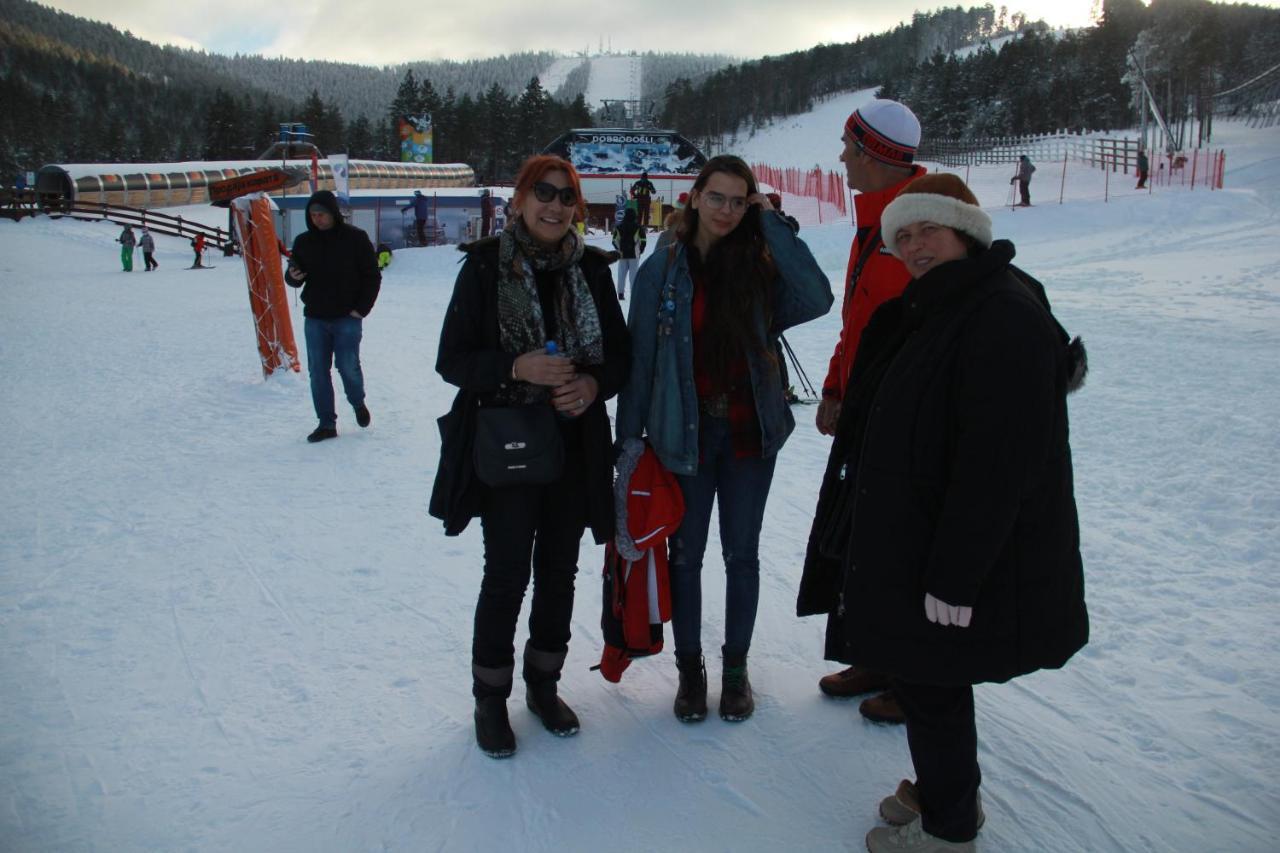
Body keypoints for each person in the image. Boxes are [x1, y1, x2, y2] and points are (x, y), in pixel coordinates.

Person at [797, 173, 1088, 853]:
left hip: (952, 551)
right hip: (918, 535)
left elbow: (999, 462)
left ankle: (951, 828)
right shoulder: (943, 303)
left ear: (966, 229)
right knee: (927, 678)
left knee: (932, 680)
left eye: (928, 228)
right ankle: (944, 791)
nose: (915, 244)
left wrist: (956, 574)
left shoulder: (1002, 312)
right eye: (903, 235)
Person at [617, 155, 833, 723]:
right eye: (718, 198)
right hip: (680, 436)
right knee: (685, 557)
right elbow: (640, 362)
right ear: (694, 197)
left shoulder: (761, 267)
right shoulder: (661, 270)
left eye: (741, 201)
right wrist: (628, 444)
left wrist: (772, 226)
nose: (727, 211)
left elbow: (816, 296)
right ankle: (691, 670)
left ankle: (735, 668)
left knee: (742, 554)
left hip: (748, 432)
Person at [430, 155, 629, 759]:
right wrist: (516, 367)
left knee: (559, 574)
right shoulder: (486, 268)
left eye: (567, 196)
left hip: (573, 446)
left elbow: (618, 356)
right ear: (518, 199)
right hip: (509, 448)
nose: (556, 205)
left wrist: (592, 386)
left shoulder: (591, 270)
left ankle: (543, 685)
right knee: (508, 572)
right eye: (543, 192)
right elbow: (452, 360)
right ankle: (490, 697)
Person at [815, 98, 927, 725]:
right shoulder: (874, 222)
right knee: (861, 540)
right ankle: (876, 655)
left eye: (848, 147)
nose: (841, 158)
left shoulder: (919, 226)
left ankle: (913, 679)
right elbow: (855, 321)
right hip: (866, 411)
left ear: (876, 155)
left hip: (904, 422)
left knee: (898, 546)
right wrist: (836, 389)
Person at [286, 190, 381, 443]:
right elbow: (294, 273)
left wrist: (361, 309)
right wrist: (292, 277)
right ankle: (326, 423)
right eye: (313, 215)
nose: (317, 219)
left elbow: (372, 276)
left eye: (322, 214)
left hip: (347, 316)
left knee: (347, 365)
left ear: (334, 214)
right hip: (315, 317)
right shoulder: (304, 241)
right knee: (318, 371)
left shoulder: (355, 238)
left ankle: (358, 402)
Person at [611, 206, 646, 300]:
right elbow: (643, 240)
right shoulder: (639, 227)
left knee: (621, 275)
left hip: (622, 255)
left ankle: (621, 294)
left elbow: (614, 241)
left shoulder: (619, 227)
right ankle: (634, 294)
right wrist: (640, 251)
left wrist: (619, 250)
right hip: (634, 255)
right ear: (635, 216)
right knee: (633, 276)